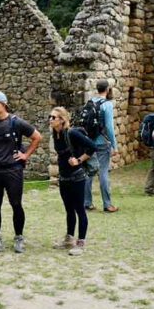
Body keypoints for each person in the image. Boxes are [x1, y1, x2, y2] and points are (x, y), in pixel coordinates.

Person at [0, 91, 42, 253]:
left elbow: (37, 137)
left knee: (16, 204)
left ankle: (18, 237)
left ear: (3, 105)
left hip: (13, 170)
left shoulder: (16, 123)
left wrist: (25, 155)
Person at [49, 107, 97, 256]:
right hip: (63, 177)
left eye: (54, 117)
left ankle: (80, 242)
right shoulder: (55, 134)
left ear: (62, 120)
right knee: (69, 209)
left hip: (77, 177)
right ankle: (69, 238)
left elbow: (92, 147)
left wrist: (78, 160)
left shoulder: (72, 133)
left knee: (79, 209)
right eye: (49, 116)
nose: (50, 119)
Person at [83, 80, 119, 213]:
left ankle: (87, 202)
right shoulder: (107, 105)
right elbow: (109, 127)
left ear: (97, 89)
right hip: (102, 143)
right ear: (108, 89)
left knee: (89, 172)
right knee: (103, 172)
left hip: (89, 141)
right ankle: (107, 204)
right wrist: (114, 146)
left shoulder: (90, 102)